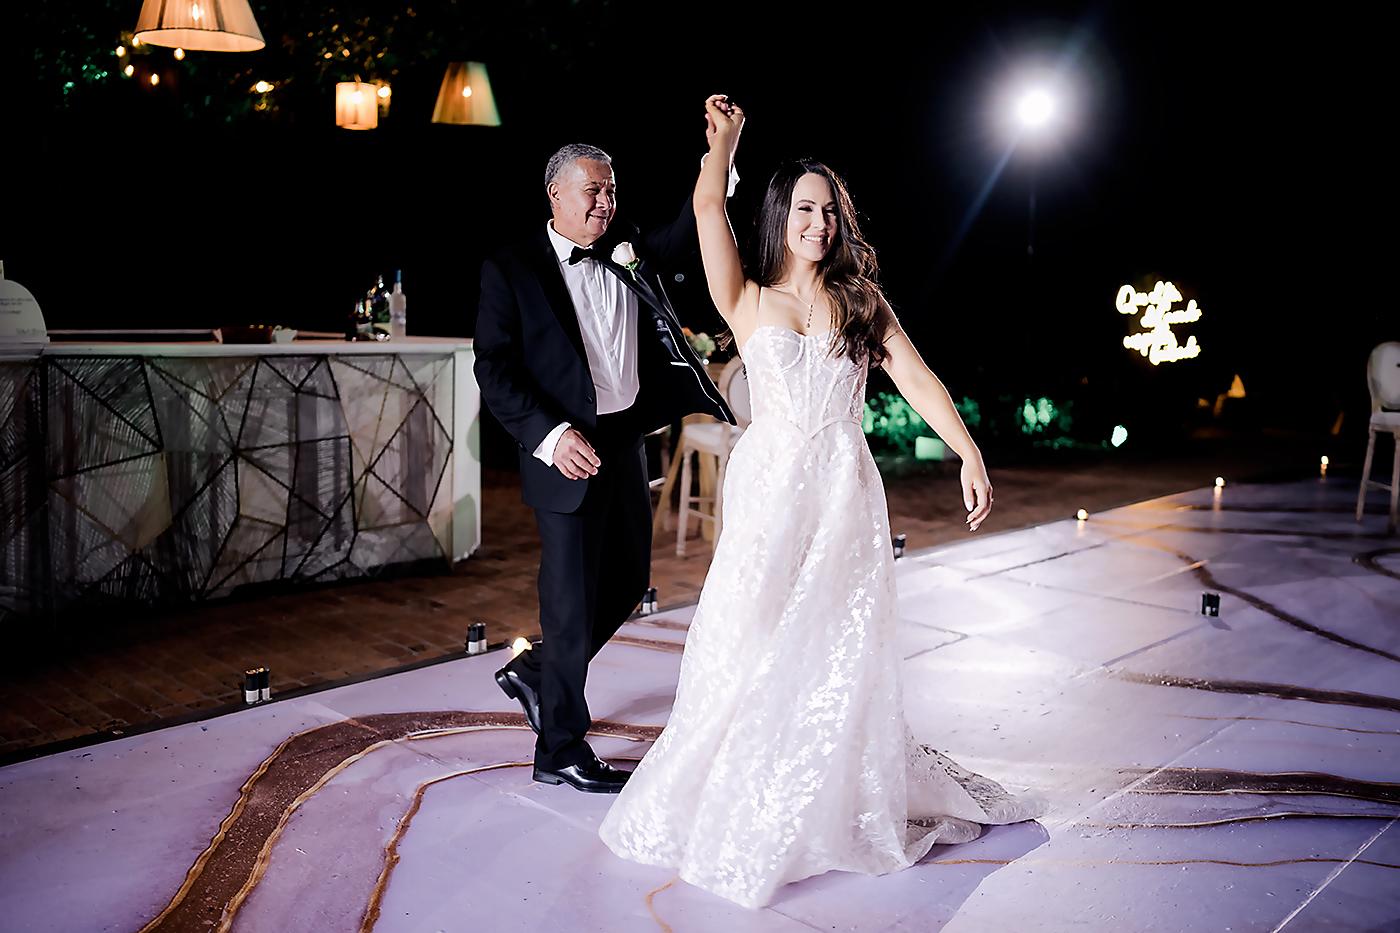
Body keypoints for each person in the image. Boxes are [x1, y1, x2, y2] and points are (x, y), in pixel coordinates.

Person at [598, 95, 1047, 907]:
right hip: (771, 488)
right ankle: (748, 784)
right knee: (752, 636)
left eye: (830, 210)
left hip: (843, 491)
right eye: (807, 208)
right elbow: (707, 206)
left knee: (837, 645)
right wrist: (725, 146)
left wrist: (967, 448)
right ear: (783, 214)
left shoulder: (860, 299)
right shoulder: (746, 296)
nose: (820, 222)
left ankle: (830, 790)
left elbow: (915, 376)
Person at [473, 124, 736, 793]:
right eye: (593, 191)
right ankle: (558, 747)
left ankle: (538, 674)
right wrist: (548, 435)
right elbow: (495, 369)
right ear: (555, 194)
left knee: (627, 580)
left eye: (611, 192)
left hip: (623, 440)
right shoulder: (512, 268)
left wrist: (720, 152)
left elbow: (694, 221)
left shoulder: (631, 250)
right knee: (568, 603)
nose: (604, 203)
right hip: (563, 450)